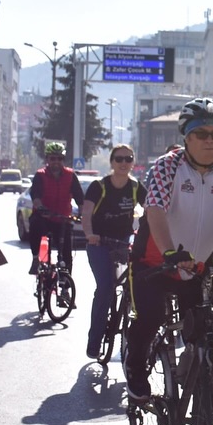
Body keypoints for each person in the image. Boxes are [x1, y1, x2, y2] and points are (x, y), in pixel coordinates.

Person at [125, 98, 213, 402]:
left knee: (204, 337)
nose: (209, 140)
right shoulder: (168, 166)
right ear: (186, 137)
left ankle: (207, 415)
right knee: (149, 319)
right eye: (201, 134)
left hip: (196, 270)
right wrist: (168, 252)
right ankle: (135, 367)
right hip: (154, 263)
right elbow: (155, 212)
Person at [80, 144, 141, 359]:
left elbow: (153, 210)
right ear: (112, 162)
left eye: (128, 159)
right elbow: (86, 214)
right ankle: (94, 342)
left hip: (124, 242)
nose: (124, 163)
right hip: (99, 243)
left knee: (139, 283)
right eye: (119, 159)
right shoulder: (99, 186)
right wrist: (90, 234)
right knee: (105, 288)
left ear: (133, 162)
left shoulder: (135, 187)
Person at [27, 142, 83, 274]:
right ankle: (36, 258)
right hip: (44, 217)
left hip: (62, 218)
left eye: (60, 158)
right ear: (47, 159)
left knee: (66, 255)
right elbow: (36, 196)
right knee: (35, 225)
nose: (56, 162)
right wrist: (40, 208)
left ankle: (65, 285)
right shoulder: (40, 175)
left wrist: (82, 213)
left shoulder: (70, 175)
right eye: (53, 158)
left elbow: (80, 197)